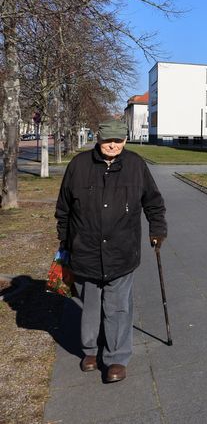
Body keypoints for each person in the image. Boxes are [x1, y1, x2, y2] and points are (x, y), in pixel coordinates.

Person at [55, 120, 167, 383]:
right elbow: (64, 210)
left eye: (119, 141)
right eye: (108, 141)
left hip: (122, 250)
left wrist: (157, 230)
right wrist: (65, 242)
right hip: (85, 250)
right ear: (98, 140)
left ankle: (116, 357)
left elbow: (153, 202)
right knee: (90, 306)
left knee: (117, 307)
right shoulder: (79, 166)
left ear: (125, 141)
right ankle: (91, 351)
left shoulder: (136, 165)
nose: (114, 145)